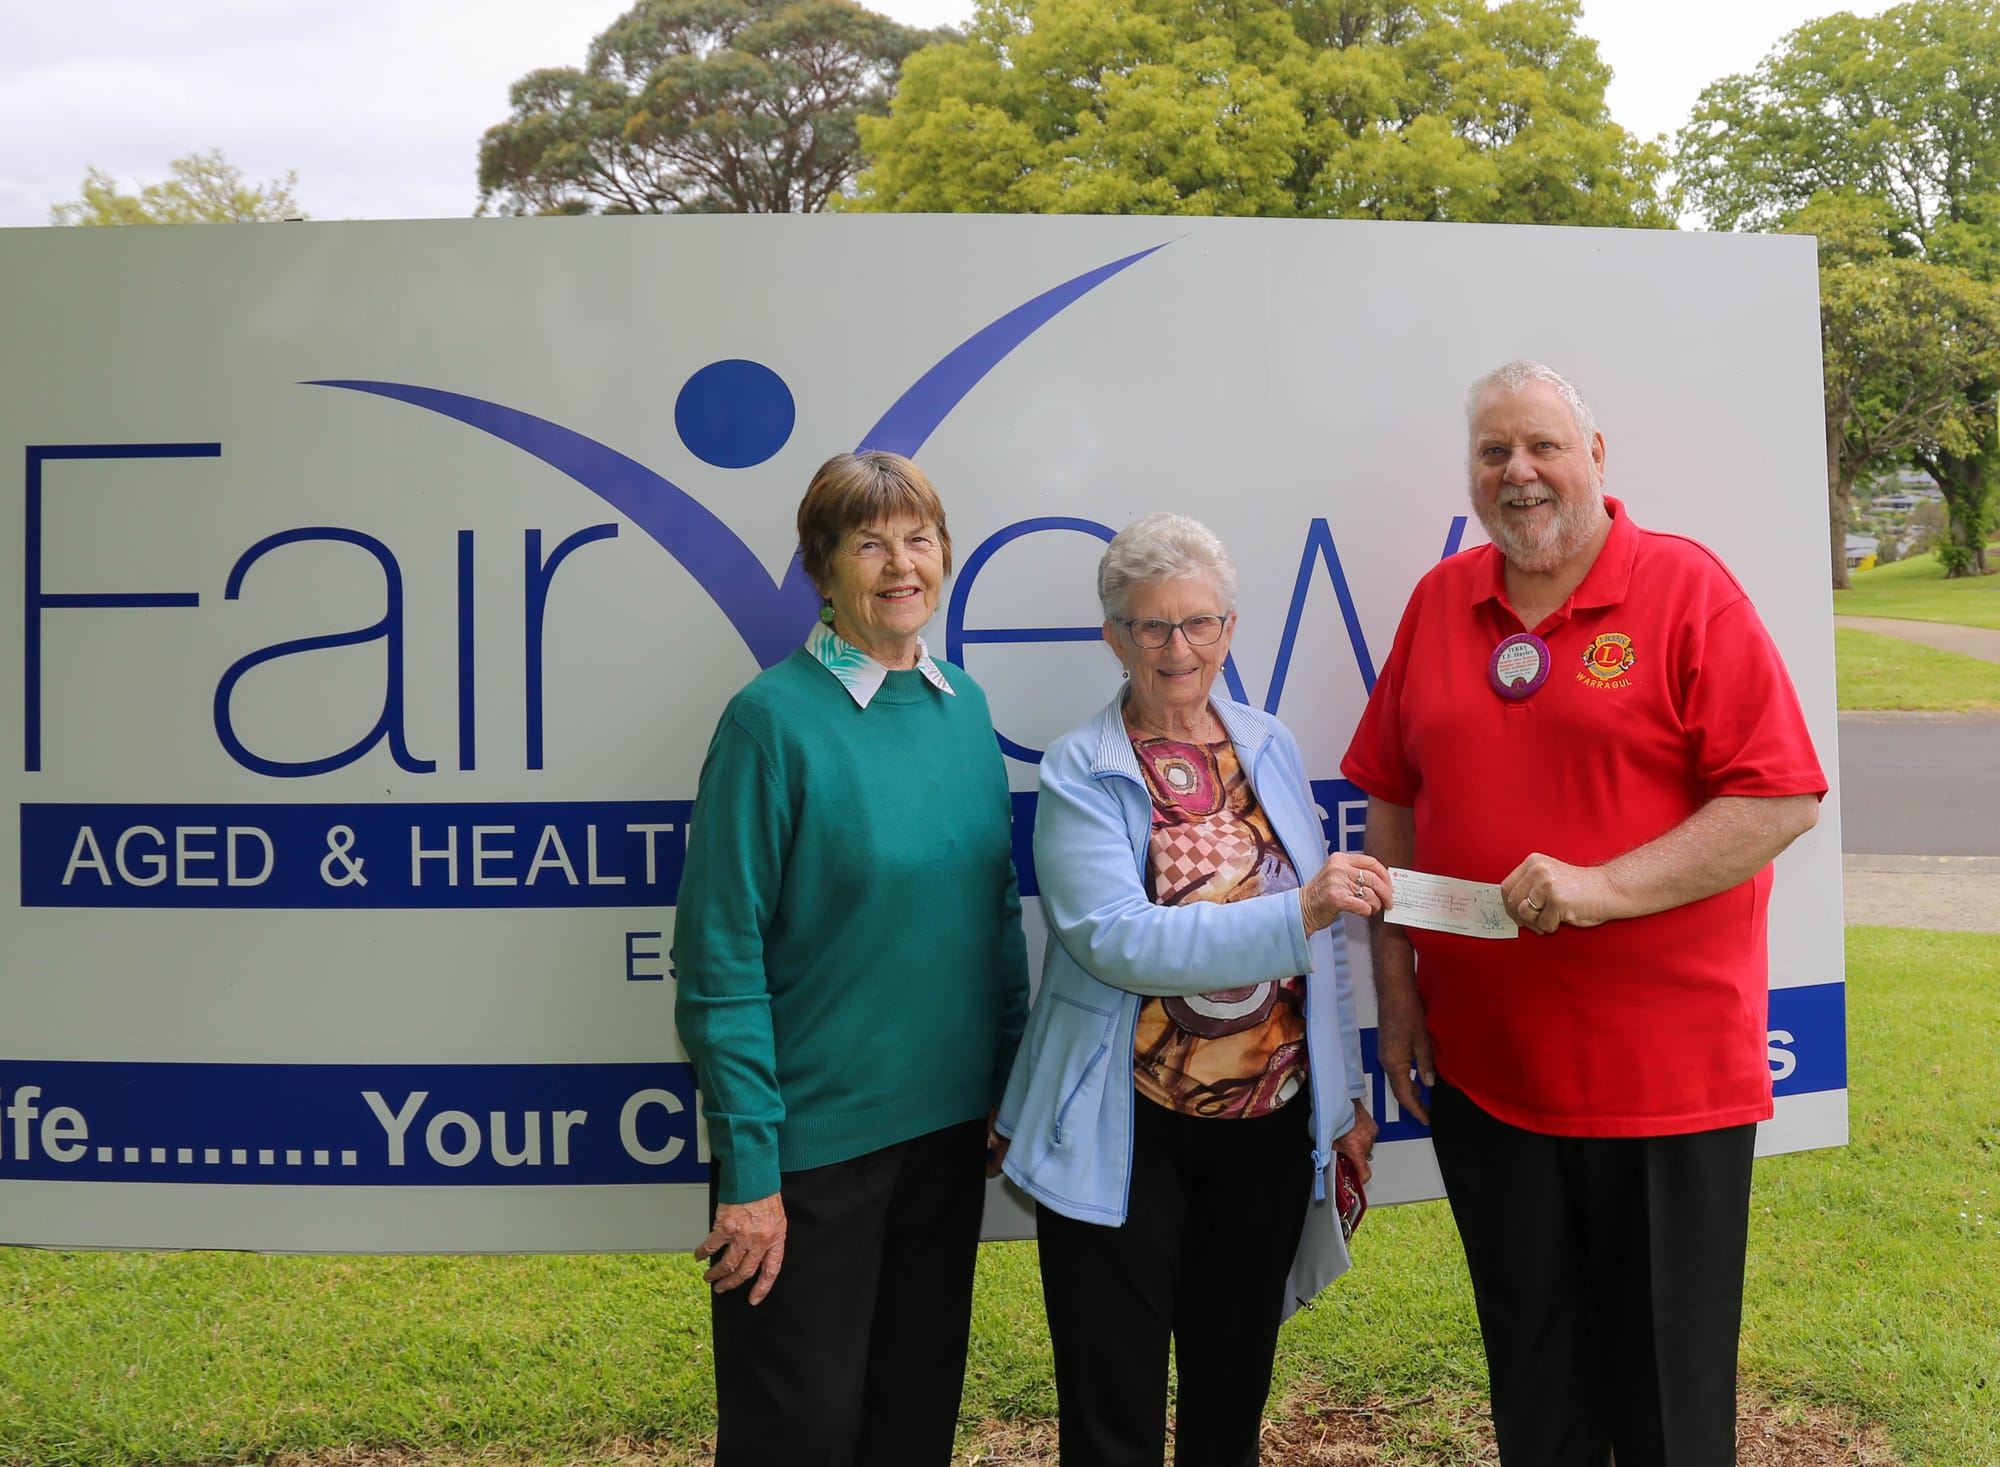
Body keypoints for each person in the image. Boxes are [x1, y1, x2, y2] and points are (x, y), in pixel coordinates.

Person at [1341, 361, 1826, 1466]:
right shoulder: (1438, 602)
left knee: (1663, 1392)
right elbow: (1390, 796)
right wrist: (1399, 992)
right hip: (1488, 1075)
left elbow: (1778, 795)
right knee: (1532, 1369)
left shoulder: (1684, 590)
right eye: (1491, 452)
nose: (1517, 473)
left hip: (1660, 1085)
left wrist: (1598, 889)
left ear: (1594, 458)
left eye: (1541, 446)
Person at [997, 512, 1386, 1467]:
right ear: (1114, 638)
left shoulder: (1267, 742)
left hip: (1265, 1129)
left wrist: (1340, 1104)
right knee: (1111, 1409)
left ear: (1230, 627)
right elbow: (1115, 940)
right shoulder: (1080, 768)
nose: (1179, 649)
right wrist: (1299, 909)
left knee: (1231, 1397)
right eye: (1153, 626)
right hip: (1124, 1126)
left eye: (1200, 623)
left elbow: (1316, 963)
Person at [674, 450, 1029, 1467]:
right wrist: (747, 1167)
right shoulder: (769, 723)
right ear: (820, 570)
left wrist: (1006, 1086)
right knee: (800, 1431)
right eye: (867, 543)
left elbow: (992, 915)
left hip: (948, 1136)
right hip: (807, 1154)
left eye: (918, 539)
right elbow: (716, 959)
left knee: (910, 1419)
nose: (898, 564)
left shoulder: (964, 707)